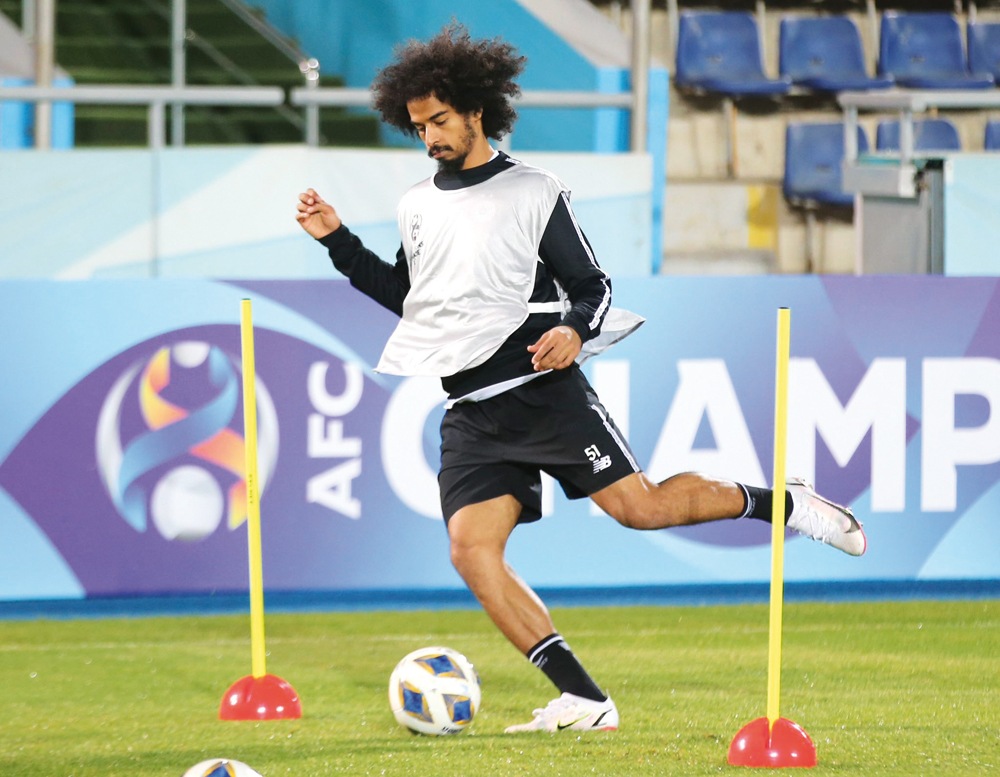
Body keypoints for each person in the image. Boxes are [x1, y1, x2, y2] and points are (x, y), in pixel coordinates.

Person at [296, 24, 866, 734]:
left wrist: (573, 330)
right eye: (417, 128)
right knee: (472, 552)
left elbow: (590, 285)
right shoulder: (419, 204)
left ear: (475, 108)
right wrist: (336, 241)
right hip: (470, 410)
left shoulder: (533, 189)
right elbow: (412, 301)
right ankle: (586, 699)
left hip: (541, 391)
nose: (430, 137)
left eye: (439, 120)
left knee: (643, 508)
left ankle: (781, 502)